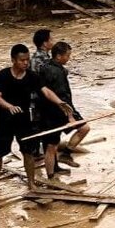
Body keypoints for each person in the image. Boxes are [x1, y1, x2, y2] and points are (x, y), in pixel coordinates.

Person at [0, 44, 74, 196]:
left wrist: (59, 101)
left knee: (28, 153)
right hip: (4, 120)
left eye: (27, 60)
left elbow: (45, 91)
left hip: (24, 120)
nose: (26, 63)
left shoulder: (32, 76)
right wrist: (9, 106)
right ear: (13, 60)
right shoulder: (2, 75)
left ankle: (31, 183)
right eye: (22, 60)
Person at [38, 41, 91, 172]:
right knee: (83, 128)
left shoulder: (45, 67)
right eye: (67, 55)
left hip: (46, 110)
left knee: (52, 143)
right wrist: (70, 116)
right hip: (58, 111)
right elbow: (62, 97)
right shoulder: (57, 73)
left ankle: (55, 168)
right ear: (58, 56)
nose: (69, 58)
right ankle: (64, 157)